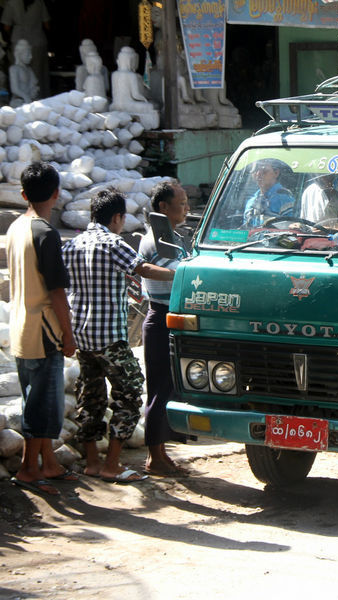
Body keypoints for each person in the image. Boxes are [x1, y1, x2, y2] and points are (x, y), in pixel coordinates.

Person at [62, 189, 175, 483]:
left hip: (82, 338)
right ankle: (112, 465)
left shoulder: (72, 245)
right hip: (110, 339)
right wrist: (180, 273)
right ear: (117, 217)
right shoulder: (113, 243)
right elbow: (144, 269)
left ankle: (91, 463)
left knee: (90, 399)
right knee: (130, 395)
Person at [6, 162, 77, 496]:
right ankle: (28, 469)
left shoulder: (17, 228)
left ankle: (48, 463)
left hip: (21, 328)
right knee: (41, 406)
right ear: (56, 194)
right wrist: (69, 333)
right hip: (45, 330)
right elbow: (57, 293)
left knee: (31, 398)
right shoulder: (45, 234)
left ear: (23, 195)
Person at [140, 181, 190, 476]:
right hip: (161, 318)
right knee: (159, 388)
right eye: (181, 203)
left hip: (171, 317)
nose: (186, 208)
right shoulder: (154, 241)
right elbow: (172, 274)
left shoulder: (173, 238)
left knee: (170, 386)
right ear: (163, 207)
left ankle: (161, 453)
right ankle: (154, 457)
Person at [1, 0, 50, 97]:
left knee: (18, 73)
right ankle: (39, 99)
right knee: (38, 74)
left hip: (18, 41)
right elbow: (47, 24)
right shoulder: (39, 2)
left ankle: (20, 98)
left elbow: (6, 26)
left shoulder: (11, 2)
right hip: (37, 40)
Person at [242, 158, 295, 227]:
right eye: (255, 171)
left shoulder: (285, 199)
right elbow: (245, 229)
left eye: (264, 171)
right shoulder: (251, 202)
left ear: (276, 173)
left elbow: (289, 229)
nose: (258, 174)